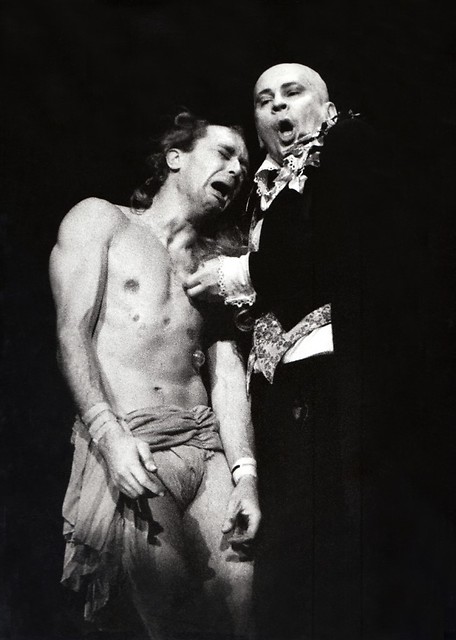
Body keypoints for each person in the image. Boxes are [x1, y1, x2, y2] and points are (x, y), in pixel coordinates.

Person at [185, 64, 398, 639]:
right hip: (276, 402)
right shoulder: (256, 197)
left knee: (338, 558)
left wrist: (237, 273)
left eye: (292, 92)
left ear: (327, 108)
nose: (277, 105)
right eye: (264, 99)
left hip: (333, 387)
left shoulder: (347, 146)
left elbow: (330, 245)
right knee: (284, 567)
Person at [49, 111, 261, 640]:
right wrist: (109, 435)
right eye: (225, 154)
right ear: (175, 157)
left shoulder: (217, 265)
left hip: (207, 448)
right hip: (135, 440)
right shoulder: (102, 220)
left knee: (242, 610)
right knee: (174, 616)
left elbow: (228, 376)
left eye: (244, 163)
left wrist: (246, 475)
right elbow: (71, 333)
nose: (237, 170)